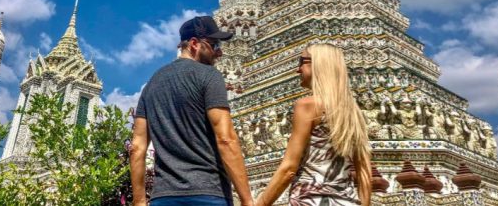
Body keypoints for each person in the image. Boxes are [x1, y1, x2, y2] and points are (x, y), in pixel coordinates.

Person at [130, 16, 254, 206]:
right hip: (208, 194)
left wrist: (139, 202)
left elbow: (137, 148)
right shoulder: (210, 76)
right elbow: (226, 139)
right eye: (214, 44)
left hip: (163, 197)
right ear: (195, 44)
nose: (218, 52)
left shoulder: (151, 84)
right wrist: (247, 200)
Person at [256, 44, 371, 206]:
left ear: (317, 64)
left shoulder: (307, 106)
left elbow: (288, 169)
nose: (298, 70)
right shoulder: (353, 112)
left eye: (301, 61)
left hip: (310, 200)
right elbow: (364, 172)